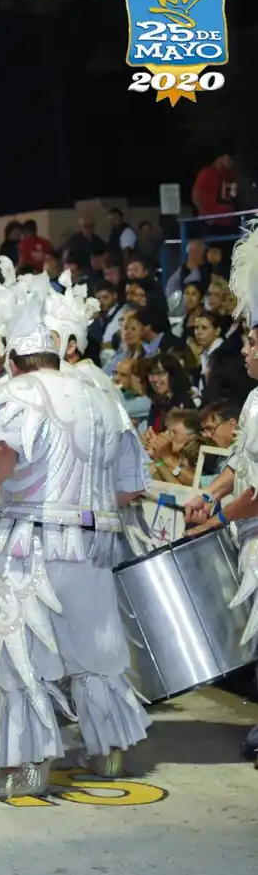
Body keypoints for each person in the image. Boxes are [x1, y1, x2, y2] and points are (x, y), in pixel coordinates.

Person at [0, 273, 151, 798]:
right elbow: (131, 489)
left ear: (14, 360)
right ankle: (108, 754)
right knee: (98, 653)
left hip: (29, 544)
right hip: (94, 543)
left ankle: (26, 770)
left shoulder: (18, 393)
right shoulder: (103, 400)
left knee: (21, 657)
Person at [185, 227, 258, 763]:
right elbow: (239, 466)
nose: (246, 349)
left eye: (252, 340)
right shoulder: (253, 400)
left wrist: (219, 519)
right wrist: (210, 494)